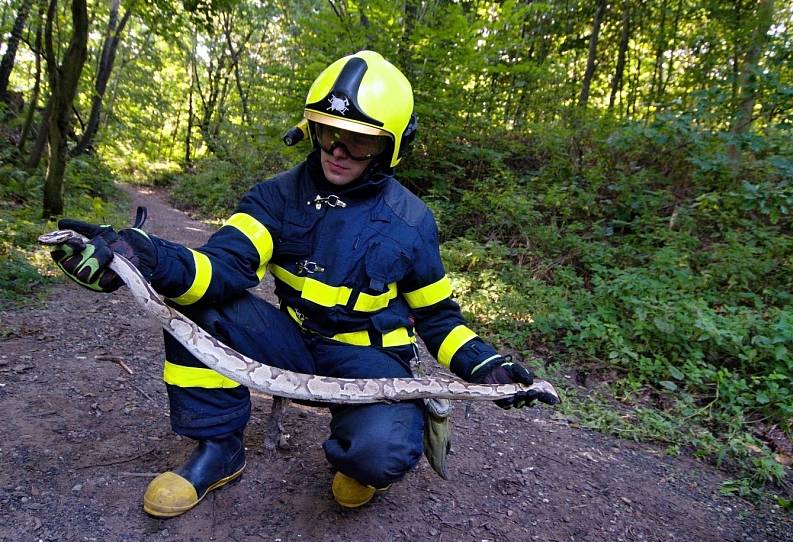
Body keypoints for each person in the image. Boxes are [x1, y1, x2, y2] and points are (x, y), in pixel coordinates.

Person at [50, 50, 559, 517]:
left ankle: (361, 456)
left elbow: (438, 318)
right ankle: (218, 446)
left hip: (372, 361)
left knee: (375, 456)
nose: (337, 150)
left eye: (359, 139)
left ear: (390, 146)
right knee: (197, 308)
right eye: (326, 131)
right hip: (294, 343)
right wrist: (141, 258)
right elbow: (221, 267)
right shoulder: (276, 197)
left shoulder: (412, 221)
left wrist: (488, 366)